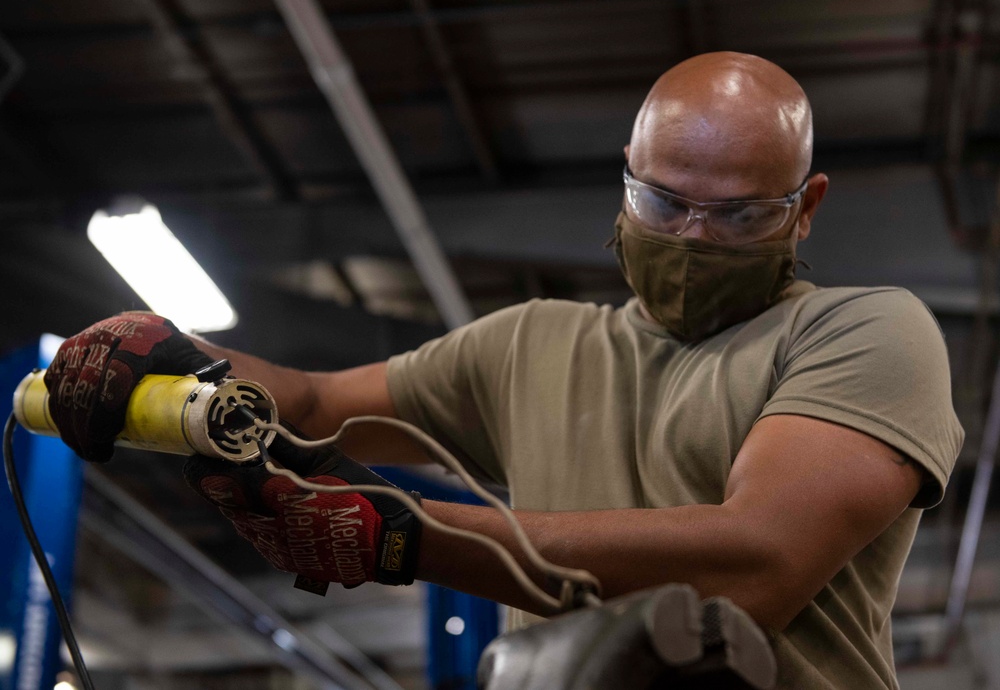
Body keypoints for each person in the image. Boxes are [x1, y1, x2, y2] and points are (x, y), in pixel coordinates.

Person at [44, 52, 963, 689]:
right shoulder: (529, 344)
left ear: (806, 210)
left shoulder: (868, 332)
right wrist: (174, 364)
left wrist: (403, 533)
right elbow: (319, 404)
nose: (690, 238)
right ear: (626, 176)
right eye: (663, 201)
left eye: (735, 216)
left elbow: (757, 563)